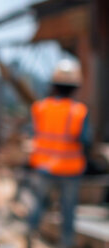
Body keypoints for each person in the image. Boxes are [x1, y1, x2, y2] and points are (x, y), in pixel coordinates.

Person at [26, 59, 90, 248]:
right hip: (70, 169)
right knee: (68, 211)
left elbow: (33, 133)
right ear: (75, 87)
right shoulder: (79, 111)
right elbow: (85, 140)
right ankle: (66, 243)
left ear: (54, 85)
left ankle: (30, 238)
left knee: (38, 205)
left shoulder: (40, 107)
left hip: (43, 166)